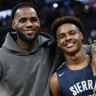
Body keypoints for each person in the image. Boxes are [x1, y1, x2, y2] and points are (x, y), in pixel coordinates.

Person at [0, 2, 95, 96]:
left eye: (33, 20)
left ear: (39, 22)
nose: (29, 24)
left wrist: (94, 53)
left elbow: (84, 49)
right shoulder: (2, 57)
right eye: (23, 20)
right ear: (13, 24)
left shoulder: (50, 47)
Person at [49, 16, 96, 96]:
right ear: (58, 43)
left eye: (72, 33)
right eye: (62, 36)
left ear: (81, 35)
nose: (67, 38)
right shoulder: (55, 80)